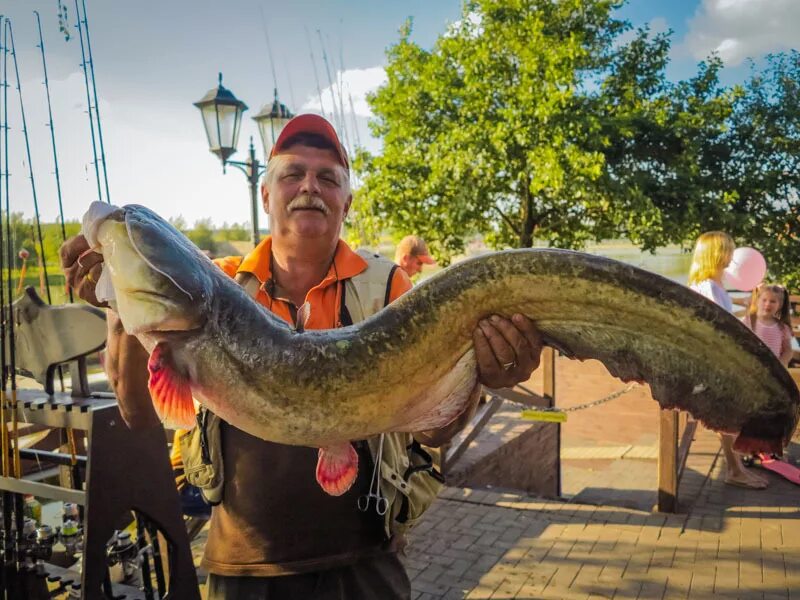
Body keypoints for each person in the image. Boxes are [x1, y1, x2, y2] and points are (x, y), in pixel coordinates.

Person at [60, 114, 543, 599]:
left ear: (346, 202)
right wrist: (116, 305)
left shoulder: (392, 288)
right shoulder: (216, 283)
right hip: (243, 567)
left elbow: (432, 428)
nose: (309, 187)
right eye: (292, 174)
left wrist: (482, 372)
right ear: (266, 195)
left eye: (327, 177)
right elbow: (138, 414)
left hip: (366, 560)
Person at [688, 231, 768, 490]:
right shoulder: (708, 287)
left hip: (719, 360)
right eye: (728, 251)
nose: (733, 257)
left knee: (730, 416)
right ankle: (735, 470)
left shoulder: (715, 284)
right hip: (715, 361)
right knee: (729, 415)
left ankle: (737, 468)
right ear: (716, 254)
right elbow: (716, 328)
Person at [741, 283, 794, 368]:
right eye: (764, 300)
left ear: (779, 305)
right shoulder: (748, 321)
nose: (768, 304)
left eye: (773, 301)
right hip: (750, 367)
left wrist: (779, 365)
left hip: (771, 372)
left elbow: (788, 351)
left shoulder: (782, 328)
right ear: (757, 301)